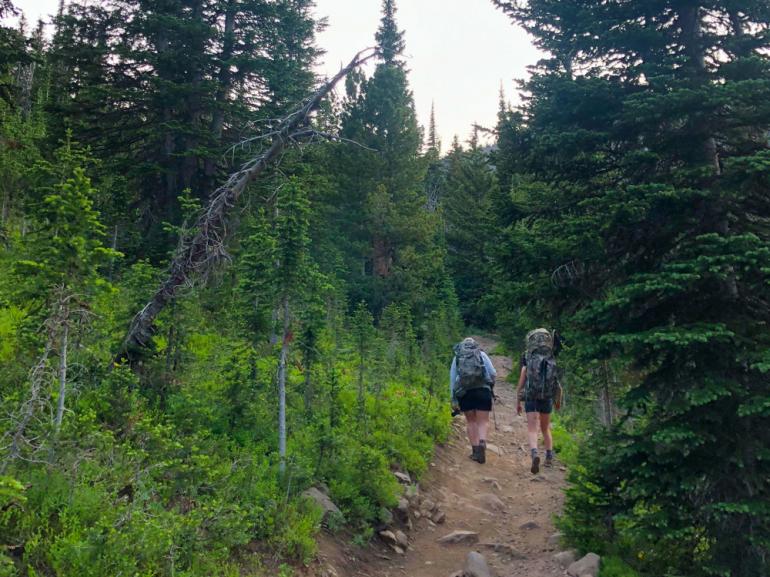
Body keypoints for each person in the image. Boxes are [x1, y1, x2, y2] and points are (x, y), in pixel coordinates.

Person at [516, 328, 562, 474]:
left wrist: (518, 396)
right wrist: (557, 398)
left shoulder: (527, 355)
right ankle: (549, 456)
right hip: (547, 396)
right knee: (545, 428)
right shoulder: (551, 355)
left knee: (532, 428)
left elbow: (524, 373)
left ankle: (535, 453)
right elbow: (556, 379)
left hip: (531, 396)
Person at [450, 337, 497, 464]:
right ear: (474, 345)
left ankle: (476, 451)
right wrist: (491, 386)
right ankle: (482, 442)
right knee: (483, 421)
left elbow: (453, 379)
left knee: (471, 422)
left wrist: (453, 400)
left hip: (465, 393)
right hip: (483, 391)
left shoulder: (457, 357)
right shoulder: (481, 354)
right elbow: (493, 373)